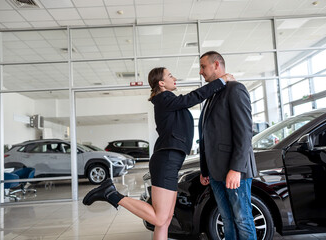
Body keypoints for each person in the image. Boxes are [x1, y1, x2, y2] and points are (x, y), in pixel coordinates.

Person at [83, 67, 233, 240]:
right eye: (170, 76)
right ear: (161, 83)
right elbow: (192, 98)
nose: (174, 77)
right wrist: (220, 81)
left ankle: (110, 193)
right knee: (160, 217)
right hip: (166, 160)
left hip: (171, 160)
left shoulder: (168, 101)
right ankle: (111, 193)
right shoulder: (163, 98)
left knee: (165, 221)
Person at [198, 51, 258, 240]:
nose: (200, 72)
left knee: (242, 219)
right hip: (216, 173)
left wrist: (236, 169)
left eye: (203, 66)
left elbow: (244, 133)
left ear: (216, 65)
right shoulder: (213, 94)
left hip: (234, 171)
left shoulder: (235, 89)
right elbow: (207, 135)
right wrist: (204, 169)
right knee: (227, 219)